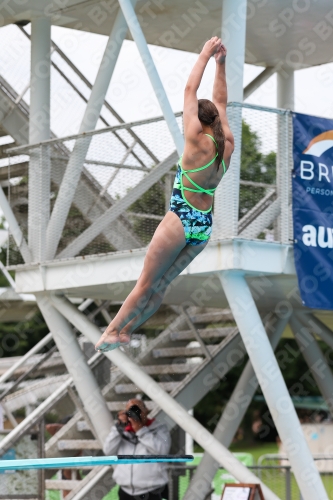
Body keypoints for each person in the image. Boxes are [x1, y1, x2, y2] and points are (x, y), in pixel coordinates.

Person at [95, 37, 234, 352]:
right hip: (203, 226)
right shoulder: (227, 144)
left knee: (145, 282)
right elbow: (221, 102)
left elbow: (189, 91)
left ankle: (112, 331)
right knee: (161, 285)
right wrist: (221, 65)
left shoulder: (195, 139)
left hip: (181, 217)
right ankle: (128, 330)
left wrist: (205, 54)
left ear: (197, 121)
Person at [103, 399, 171, 500]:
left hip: (153, 491)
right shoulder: (121, 431)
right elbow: (108, 450)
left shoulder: (160, 429)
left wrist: (140, 430)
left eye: (138, 410)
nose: (134, 414)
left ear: (146, 411)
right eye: (130, 412)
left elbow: (162, 451)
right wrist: (119, 427)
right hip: (126, 492)